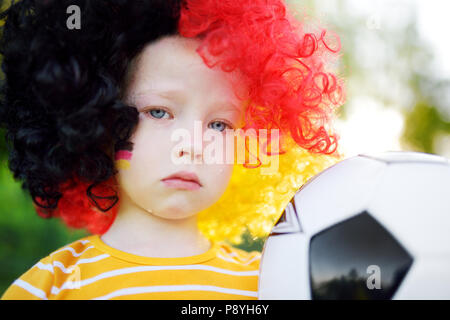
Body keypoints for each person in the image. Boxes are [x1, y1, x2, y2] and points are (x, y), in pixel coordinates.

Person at [0, 0, 345, 299]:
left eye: (219, 125)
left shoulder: (269, 282)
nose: (194, 146)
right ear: (98, 120)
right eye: (159, 112)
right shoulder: (51, 286)